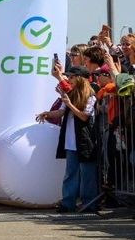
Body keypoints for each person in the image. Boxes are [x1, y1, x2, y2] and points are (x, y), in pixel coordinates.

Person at [37, 66, 98, 213]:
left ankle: (88, 203)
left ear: (80, 79)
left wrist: (70, 104)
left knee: (87, 173)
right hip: (71, 141)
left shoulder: (90, 95)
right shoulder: (70, 94)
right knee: (71, 173)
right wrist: (48, 113)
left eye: (72, 77)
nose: (69, 80)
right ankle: (67, 202)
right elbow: (61, 111)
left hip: (85, 140)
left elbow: (84, 116)